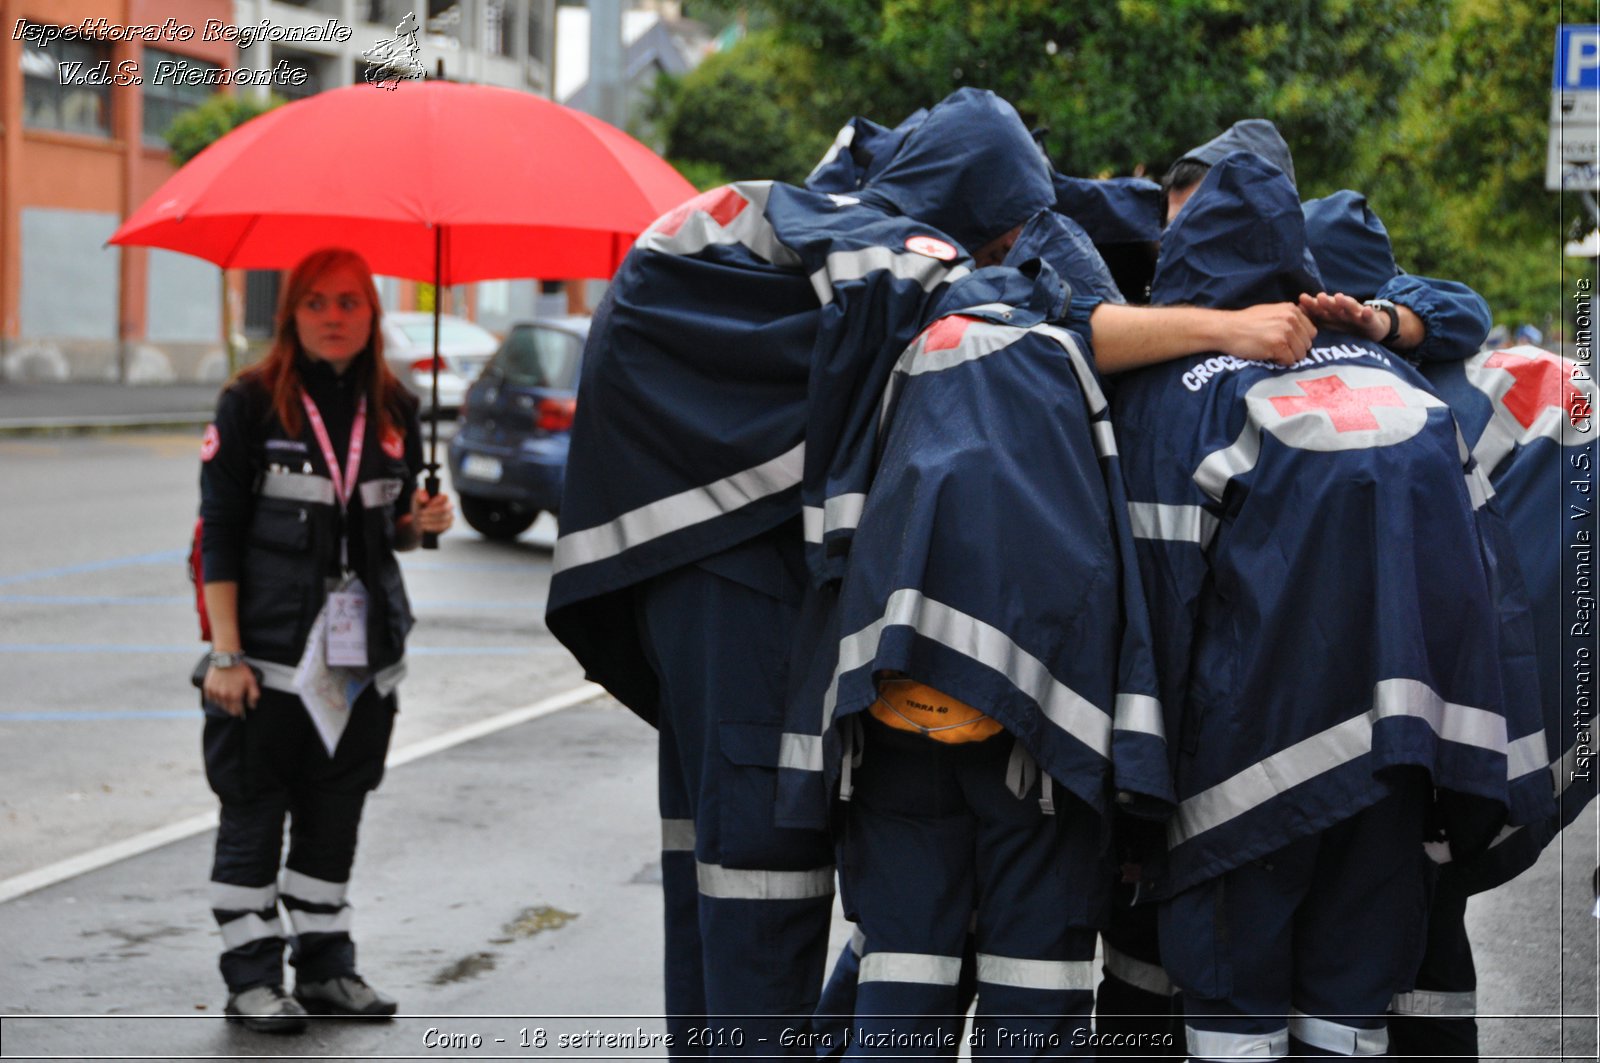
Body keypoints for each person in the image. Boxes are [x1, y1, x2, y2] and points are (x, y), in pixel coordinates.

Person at [547, 88, 1059, 1057]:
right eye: (1000, 235)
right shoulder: (894, 258)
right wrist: (1230, 331)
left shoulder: (786, 224)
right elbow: (1015, 328)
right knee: (762, 887)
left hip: (679, 584)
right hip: (748, 597)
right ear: (970, 207)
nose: (1000, 255)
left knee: (705, 875)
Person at [1113, 152, 1546, 1060]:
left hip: (1239, 782)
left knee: (1233, 1022)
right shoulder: (1415, 390)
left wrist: (1131, 802)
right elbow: (1486, 590)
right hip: (1395, 769)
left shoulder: (1170, 391)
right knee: (1351, 1017)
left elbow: (1152, 602)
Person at [1304, 190, 1600, 1060]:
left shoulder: (1290, 388)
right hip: (1455, 757)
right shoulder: (1495, 383)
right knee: (1432, 954)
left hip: (1326, 756)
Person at [197, 247, 453, 1033]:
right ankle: (250, 978)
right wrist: (226, 654)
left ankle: (326, 969)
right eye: (316, 302)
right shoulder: (249, 403)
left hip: (359, 661)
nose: (334, 317)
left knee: (335, 811)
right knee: (254, 810)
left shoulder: (398, 407)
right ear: (292, 313)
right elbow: (220, 538)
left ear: (372, 314)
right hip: (267, 661)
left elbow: (384, 534)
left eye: (349, 302)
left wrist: (420, 523)